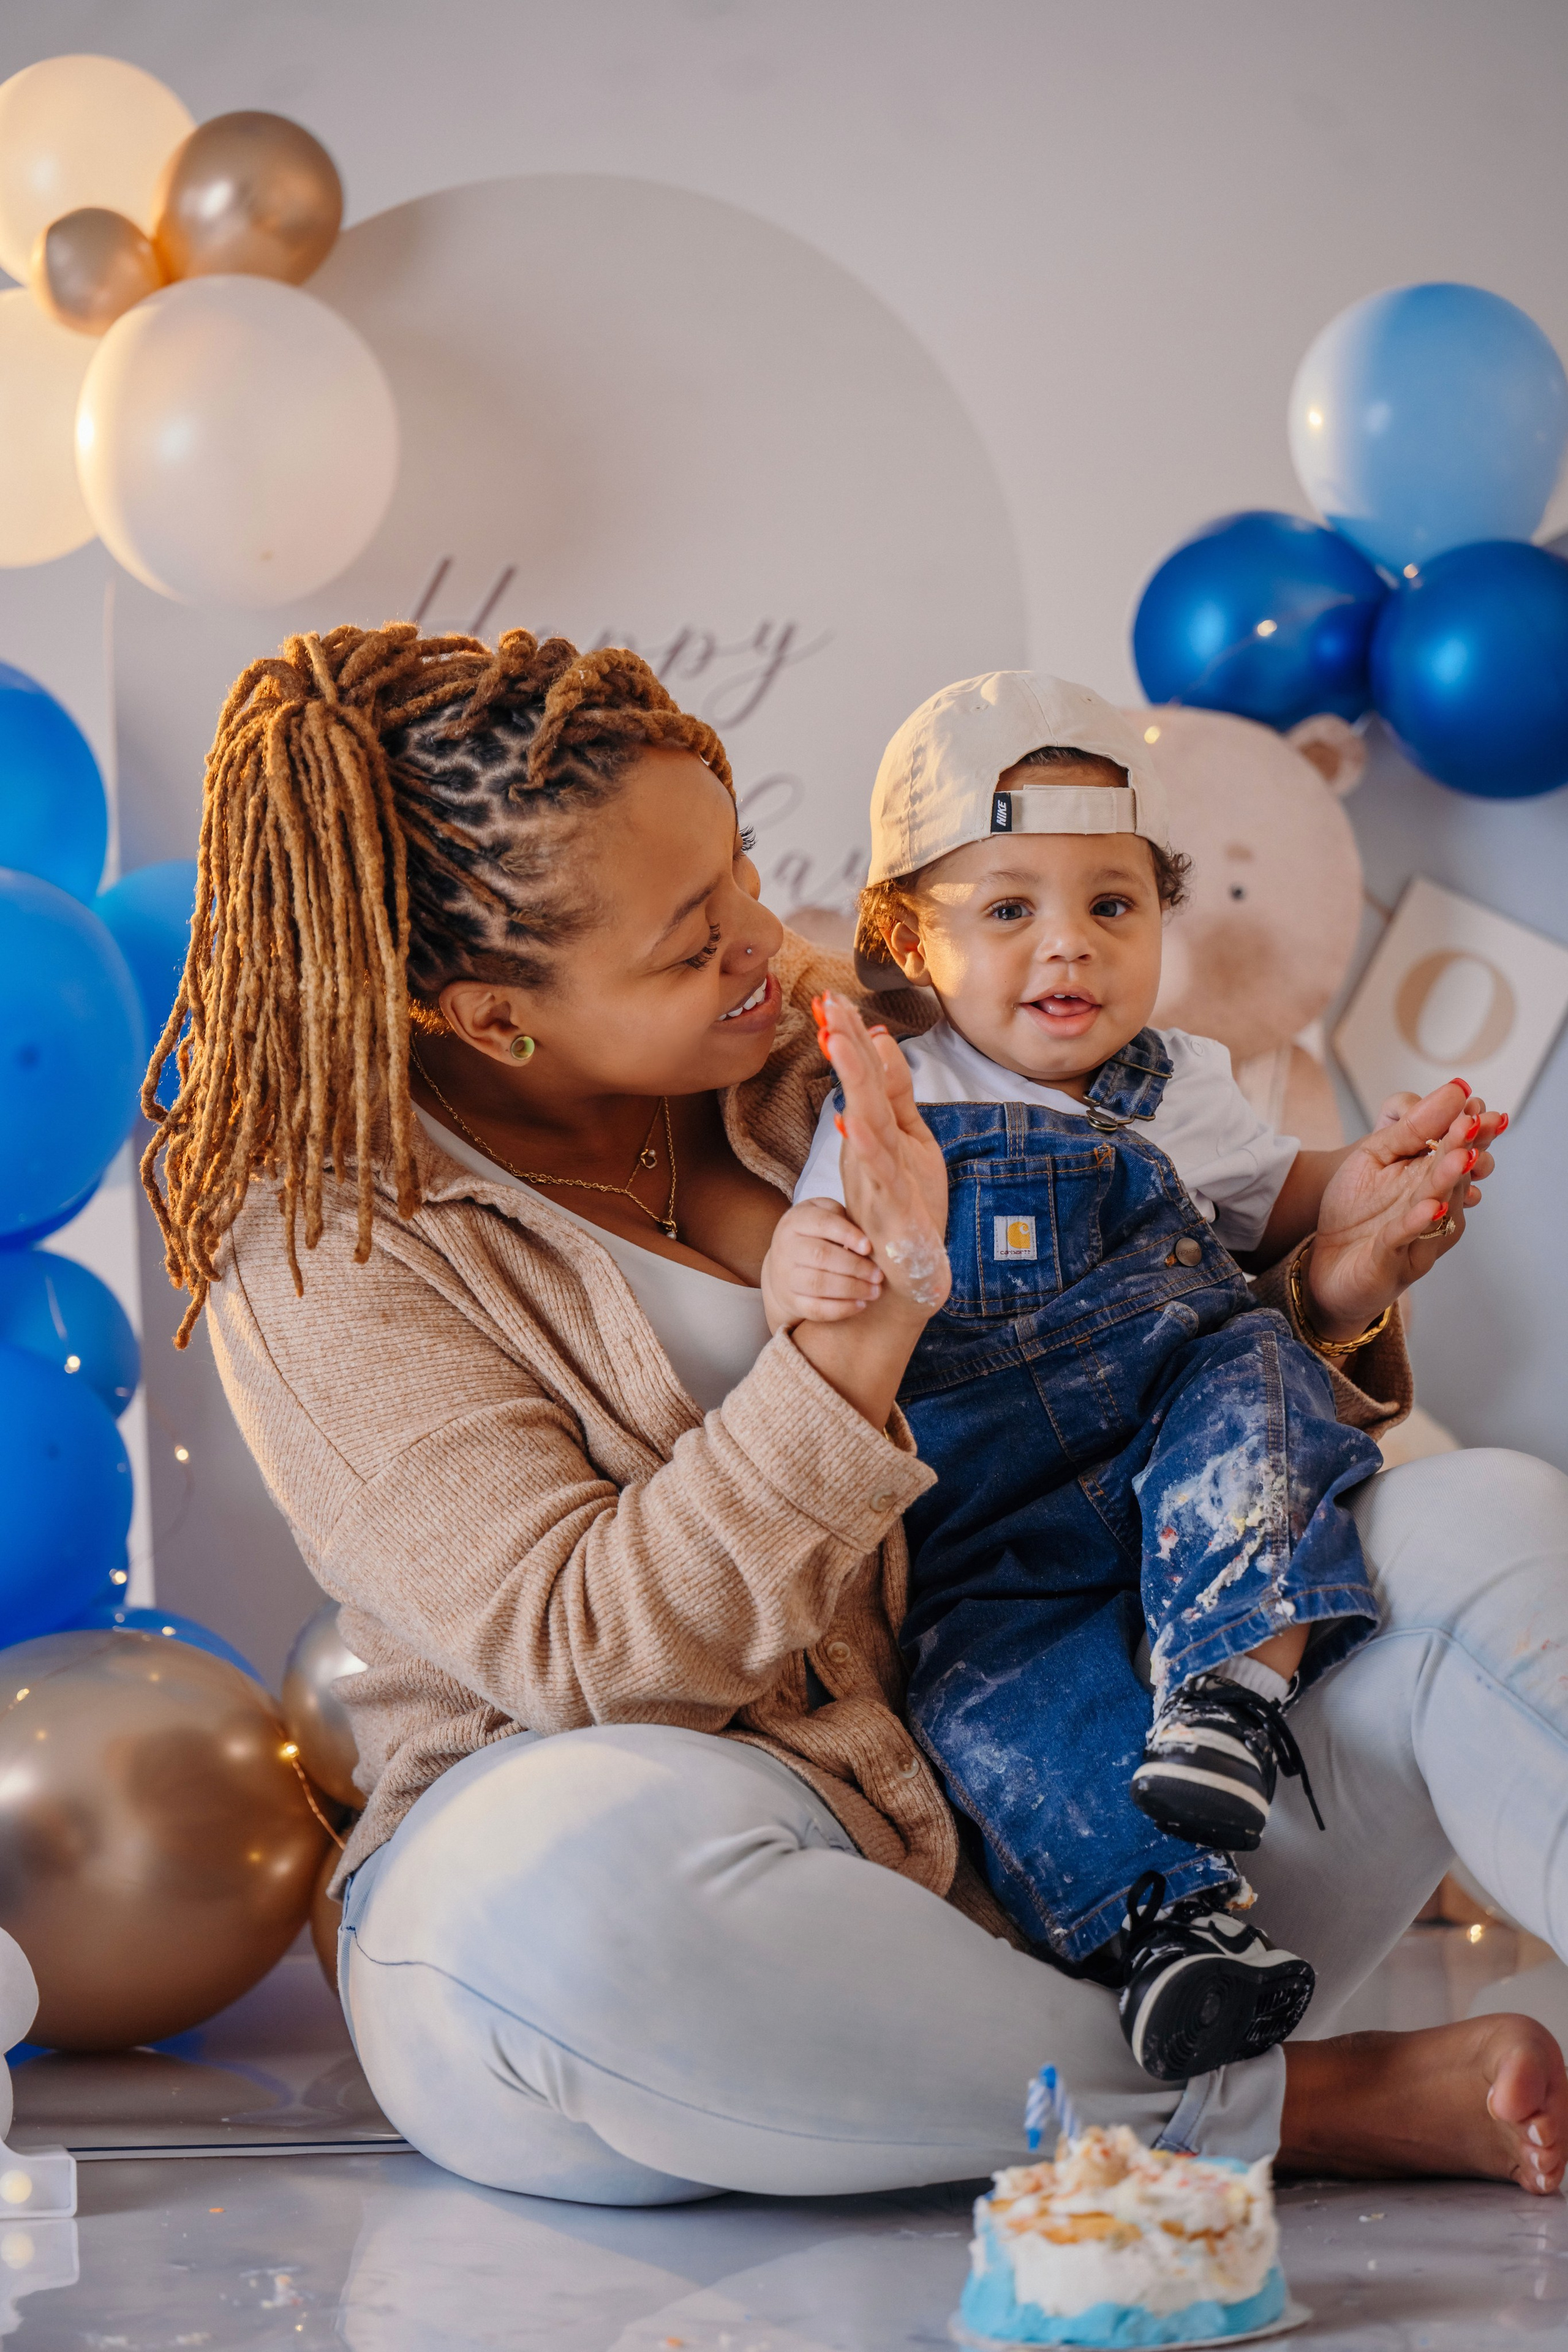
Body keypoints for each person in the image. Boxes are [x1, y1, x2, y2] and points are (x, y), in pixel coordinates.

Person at [143, 622, 1568, 2207]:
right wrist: (849, 1355)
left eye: (742, 868)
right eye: (692, 940)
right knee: (554, 1908)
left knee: (1482, 1516)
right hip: (733, 1852)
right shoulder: (328, 1248)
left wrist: (1327, 1281)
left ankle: (1133, 2054)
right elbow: (585, 1651)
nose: (768, 935)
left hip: (1108, 1813)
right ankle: (1295, 2104)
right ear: (493, 1018)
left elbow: (1123, 1359)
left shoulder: (836, 1042)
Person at [764, 672, 1504, 2086]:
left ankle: (1228, 1694)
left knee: (1260, 1374)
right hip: (996, 1524)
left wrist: (1373, 1171)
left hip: (1174, 1429)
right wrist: (804, 1262)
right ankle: (1170, 1936)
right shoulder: (893, 1093)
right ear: (906, 938)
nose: (1069, 950)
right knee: (1002, 1711)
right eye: (1007, 909)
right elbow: (819, 1232)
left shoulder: (1178, 1086)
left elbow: (1272, 1200)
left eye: (1111, 906)